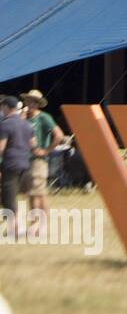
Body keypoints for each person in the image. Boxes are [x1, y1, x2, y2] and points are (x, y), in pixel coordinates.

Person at [20, 90, 63, 238]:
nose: (29, 104)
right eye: (28, 101)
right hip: (24, 160)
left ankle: (38, 226)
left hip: (37, 161)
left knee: (36, 193)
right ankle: (39, 226)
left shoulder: (44, 118)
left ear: (38, 104)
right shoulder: (23, 118)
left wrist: (46, 151)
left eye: (33, 101)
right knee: (34, 194)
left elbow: (59, 135)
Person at [0, 96, 34, 237]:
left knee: (9, 198)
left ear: (7, 107)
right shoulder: (26, 124)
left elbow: (1, 147)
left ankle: (15, 230)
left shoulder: (5, 124)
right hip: (25, 164)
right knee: (21, 196)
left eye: (2, 107)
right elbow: (33, 144)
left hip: (10, 164)